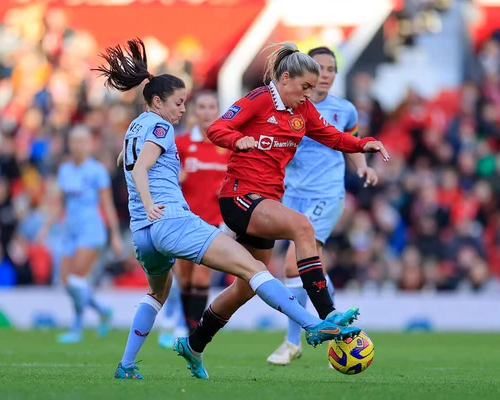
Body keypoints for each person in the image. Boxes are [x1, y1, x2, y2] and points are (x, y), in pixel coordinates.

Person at [98, 38, 362, 380]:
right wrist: (151, 203)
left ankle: (135, 363)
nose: (183, 111)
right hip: (171, 220)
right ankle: (317, 324)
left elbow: (126, 160)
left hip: (142, 232)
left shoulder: (134, 129)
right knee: (255, 269)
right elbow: (140, 167)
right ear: (158, 101)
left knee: (163, 293)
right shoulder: (162, 126)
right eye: (179, 103)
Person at [177, 41, 389, 379]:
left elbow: (333, 137)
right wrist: (237, 140)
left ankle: (195, 343)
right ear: (285, 79)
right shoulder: (260, 98)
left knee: (246, 286)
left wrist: (365, 144)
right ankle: (327, 313)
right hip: (239, 197)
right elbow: (217, 128)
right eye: (304, 87)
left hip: (266, 202)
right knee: (303, 227)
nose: (308, 94)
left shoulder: (302, 111)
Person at [267, 46, 378, 365]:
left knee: (292, 264)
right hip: (291, 195)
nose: (327, 75)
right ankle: (332, 318)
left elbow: (350, 141)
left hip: (326, 195)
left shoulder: (345, 110)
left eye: (332, 69)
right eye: (322, 68)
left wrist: (362, 167)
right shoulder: (289, 108)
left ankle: (293, 340)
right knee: (308, 269)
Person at [38, 125, 124, 344]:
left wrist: (114, 234)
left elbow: (107, 204)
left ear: (89, 144)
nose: (78, 145)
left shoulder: (97, 171)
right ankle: (102, 311)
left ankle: (77, 326)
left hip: (91, 230)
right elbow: (61, 204)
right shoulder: (65, 170)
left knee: (77, 279)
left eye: (82, 141)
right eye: (74, 141)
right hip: (70, 230)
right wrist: (46, 226)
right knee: (67, 281)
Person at [158, 90, 229, 349]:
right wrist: (176, 178)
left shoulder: (227, 145)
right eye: (202, 106)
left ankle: (191, 333)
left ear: (218, 110)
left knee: (201, 278)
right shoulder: (183, 144)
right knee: (184, 279)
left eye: (212, 106)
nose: (207, 111)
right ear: (195, 112)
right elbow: (163, 171)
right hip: (183, 220)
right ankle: (185, 329)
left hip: (212, 223)